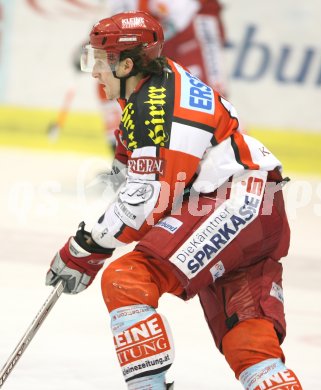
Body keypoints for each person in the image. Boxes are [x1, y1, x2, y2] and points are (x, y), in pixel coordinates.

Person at [46, 11, 303, 390]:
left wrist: (86, 248)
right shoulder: (157, 85)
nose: (94, 73)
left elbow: (148, 203)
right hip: (257, 211)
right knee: (249, 344)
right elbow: (136, 175)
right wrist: (103, 231)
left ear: (126, 64)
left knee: (127, 278)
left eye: (99, 62)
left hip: (235, 203)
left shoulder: (154, 105)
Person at [88, 0, 227, 152]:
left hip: (194, 28)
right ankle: (128, 154)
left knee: (208, 97)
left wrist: (141, 43)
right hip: (153, 38)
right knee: (111, 77)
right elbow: (116, 26)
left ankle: (235, 160)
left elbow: (184, 11)